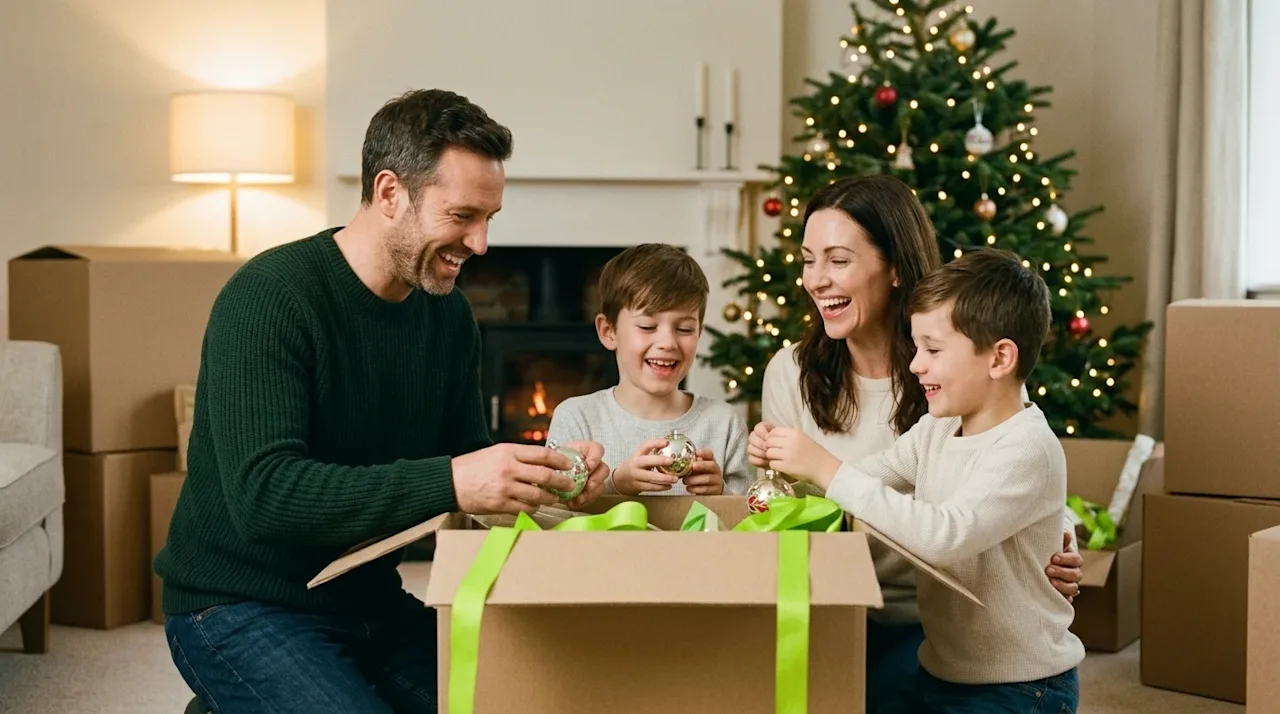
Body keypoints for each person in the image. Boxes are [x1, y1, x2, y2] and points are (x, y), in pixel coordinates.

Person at [153, 89, 610, 714]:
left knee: (519, 699)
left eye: (489, 219)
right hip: (239, 604)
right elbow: (265, 497)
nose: (480, 244)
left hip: (366, 599)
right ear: (390, 192)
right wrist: (455, 480)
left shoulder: (447, 316)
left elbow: (468, 463)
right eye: (462, 216)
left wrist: (546, 483)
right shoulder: (268, 298)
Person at [745, 175, 1084, 712]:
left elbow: (1009, 474)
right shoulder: (796, 373)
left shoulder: (958, 371)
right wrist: (780, 470)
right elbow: (804, 501)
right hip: (844, 605)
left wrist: (1059, 536)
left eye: (837, 259)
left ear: (896, 267)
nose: (816, 279)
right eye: (808, 259)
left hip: (931, 626)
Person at [546, 243, 752, 497]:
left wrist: (720, 492)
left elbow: (750, 522)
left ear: (699, 333)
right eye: (647, 327)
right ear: (608, 332)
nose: (667, 343)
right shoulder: (577, 418)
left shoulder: (724, 424)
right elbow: (553, 514)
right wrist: (616, 484)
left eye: (685, 329)